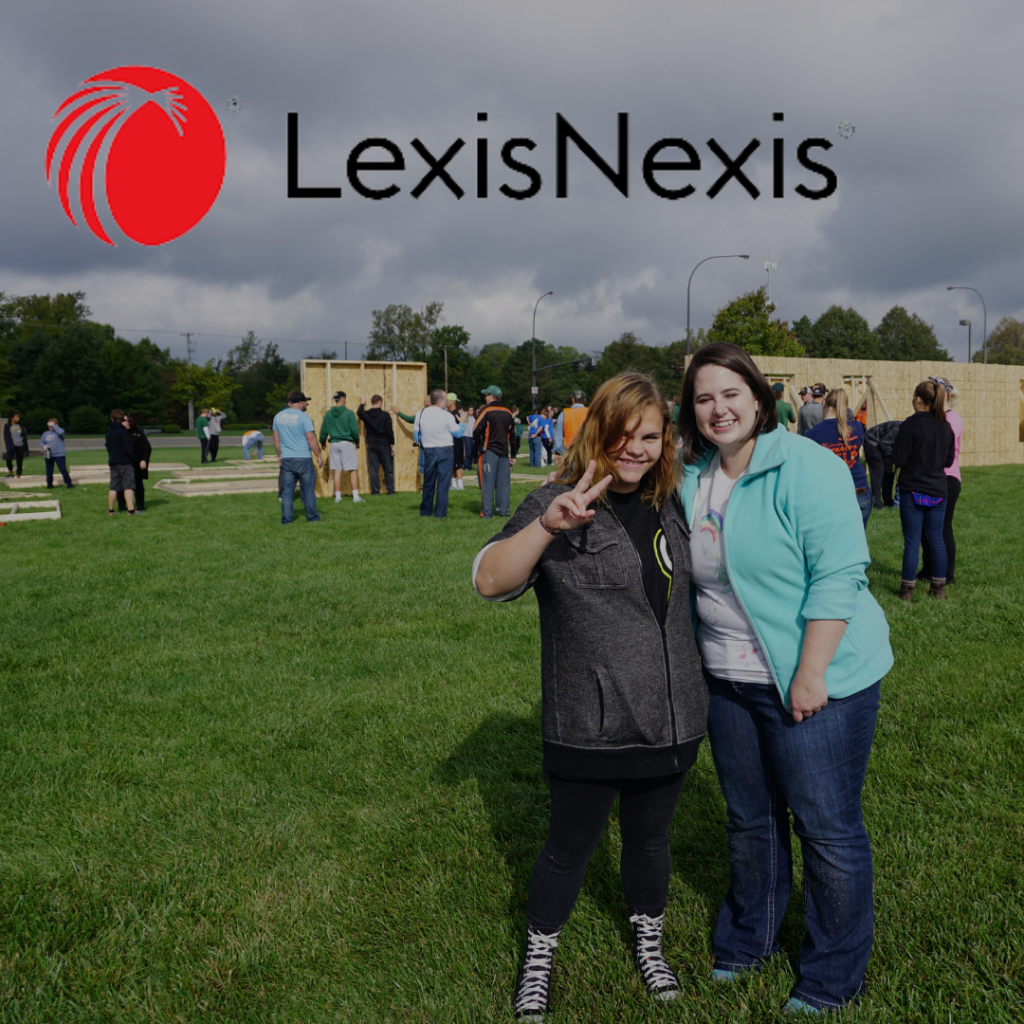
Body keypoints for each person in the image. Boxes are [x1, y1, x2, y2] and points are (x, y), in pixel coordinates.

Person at [473, 372, 708, 1019]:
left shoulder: (675, 504)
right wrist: (547, 526)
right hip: (589, 723)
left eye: (651, 437)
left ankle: (648, 940)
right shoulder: (556, 500)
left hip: (674, 719)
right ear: (597, 434)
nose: (636, 449)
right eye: (623, 435)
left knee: (650, 842)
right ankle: (540, 955)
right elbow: (490, 580)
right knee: (568, 846)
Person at [677, 342, 893, 1016]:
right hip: (727, 681)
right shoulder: (692, 475)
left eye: (731, 393)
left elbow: (839, 573)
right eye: (704, 398)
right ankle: (747, 941)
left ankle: (832, 974)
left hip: (816, 679)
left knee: (826, 828)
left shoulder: (806, 467)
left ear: (759, 398)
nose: (718, 409)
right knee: (750, 821)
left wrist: (811, 672)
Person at [892, 379, 956, 601]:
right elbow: (949, 461)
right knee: (936, 539)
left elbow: (899, 459)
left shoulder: (909, 425)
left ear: (917, 399)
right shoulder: (945, 426)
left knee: (912, 542)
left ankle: (906, 592)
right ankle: (938, 589)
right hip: (939, 490)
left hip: (913, 488)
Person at [919, 377, 963, 586]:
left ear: (944, 394)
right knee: (925, 527)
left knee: (943, 527)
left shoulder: (952, 418)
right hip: (931, 477)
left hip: (947, 478)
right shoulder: (935, 417)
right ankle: (928, 568)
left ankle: (948, 575)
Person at [805, 389, 871, 526]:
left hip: (831, 495)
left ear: (824, 404)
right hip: (860, 492)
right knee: (858, 543)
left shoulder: (811, 435)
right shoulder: (857, 428)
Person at [272, 391, 324, 525]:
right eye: (305, 402)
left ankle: (286, 520)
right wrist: (318, 455)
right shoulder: (304, 417)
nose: (307, 404)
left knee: (287, 492)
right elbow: (310, 438)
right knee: (308, 491)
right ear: (300, 403)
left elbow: (276, 439)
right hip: (303, 458)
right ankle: (312, 518)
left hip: (287, 458)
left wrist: (279, 455)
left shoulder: (278, 417)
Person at [473, 386, 519, 518]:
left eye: (486, 395)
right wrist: (514, 455)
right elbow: (513, 436)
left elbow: (476, 429)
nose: (485, 398)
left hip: (489, 452)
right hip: (504, 453)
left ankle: (487, 513)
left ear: (491, 396)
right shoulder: (508, 412)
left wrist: (479, 446)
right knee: (503, 484)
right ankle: (503, 511)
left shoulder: (486, 410)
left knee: (487, 483)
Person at [419, 389, 465, 518]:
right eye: (445, 400)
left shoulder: (422, 413)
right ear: (439, 401)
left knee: (428, 483)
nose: (446, 403)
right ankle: (440, 514)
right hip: (445, 449)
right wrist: (461, 423)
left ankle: (425, 512)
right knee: (443, 484)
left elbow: (418, 431)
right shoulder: (446, 415)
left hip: (428, 449)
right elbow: (458, 433)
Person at [319, 391, 362, 503]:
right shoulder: (349, 413)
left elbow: (323, 430)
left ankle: (338, 497)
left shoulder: (328, 414)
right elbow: (354, 430)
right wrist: (357, 442)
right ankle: (356, 497)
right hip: (346, 443)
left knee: (337, 470)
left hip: (334, 444)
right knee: (352, 469)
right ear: (343, 399)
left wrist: (322, 442)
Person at [357, 394, 396, 495]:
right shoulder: (385, 415)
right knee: (388, 469)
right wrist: (392, 445)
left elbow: (359, 412)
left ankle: (375, 492)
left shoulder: (367, 414)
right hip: (384, 445)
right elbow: (389, 431)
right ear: (379, 402)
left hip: (372, 444)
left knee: (373, 470)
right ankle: (391, 491)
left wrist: (363, 401)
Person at [116, 413, 152, 513]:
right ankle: (122, 507)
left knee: (138, 485)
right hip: (122, 463)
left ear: (130, 422)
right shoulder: (118, 433)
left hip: (136, 464)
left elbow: (146, 448)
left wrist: (143, 460)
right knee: (121, 485)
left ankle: (140, 505)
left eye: (123, 420)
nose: (121, 422)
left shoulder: (138, 433)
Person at [863, 420, 902, 510]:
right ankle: (877, 504)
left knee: (889, 471)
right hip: (872, 440)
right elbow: (884, 443)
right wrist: (895, 455)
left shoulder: (908, 431)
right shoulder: (898, 429)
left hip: (885, 443)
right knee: (878, 471)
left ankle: (888, 501)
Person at [105, 408, 137, 516]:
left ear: (112, 419)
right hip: (125, 462)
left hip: (113, 462)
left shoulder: (109, 432)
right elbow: (129, 449)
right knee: (128, 486)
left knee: (113, 487)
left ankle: (110, 511)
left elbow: (108, 447)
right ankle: (131, 510)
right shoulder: (123, 432)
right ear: (122, 419)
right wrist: (133, 459)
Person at [40, 416, 74, 488]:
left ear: (56, 425)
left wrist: (53, 425)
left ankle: (69, 483)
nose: (51, 427)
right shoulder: (45, 433)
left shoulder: (59, 432)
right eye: (49, 425)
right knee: (49, 471)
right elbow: (41, 442)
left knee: (63, 469)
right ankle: (49, 485)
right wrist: (44, 446)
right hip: (48, 455)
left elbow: (61, 431)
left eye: (52, 425)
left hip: (59, 454)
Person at [554, 389, 588, 457]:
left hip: (569, 447)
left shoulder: (564, 413)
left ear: (573, 399)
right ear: (584, 400)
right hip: (586, 447)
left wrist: (557, 451)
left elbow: (558, 434)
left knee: (570, 467)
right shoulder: (591, 412)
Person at [446, 394, 467, 491]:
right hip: (448, 442)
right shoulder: (446, 413)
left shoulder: (456, 415)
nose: (445, 402)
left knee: (458, 464)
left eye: (447, 400)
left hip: (457, 442)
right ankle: (453, 484)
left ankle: (460, 484)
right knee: (451, 463)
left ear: (453, 401)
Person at [4, 411, 29, 479]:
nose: (18, 418)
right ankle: (11, 473)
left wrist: (26, 448)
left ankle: (18, 476)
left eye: (18, 416)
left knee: (19, 462)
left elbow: (24, 437)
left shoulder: (20, 426)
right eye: (16, 417)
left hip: (20, 446)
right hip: (12, 446)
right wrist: (9, 446)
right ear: (12, 418)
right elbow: (6, 437)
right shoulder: (7, 426)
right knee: (8, 459)